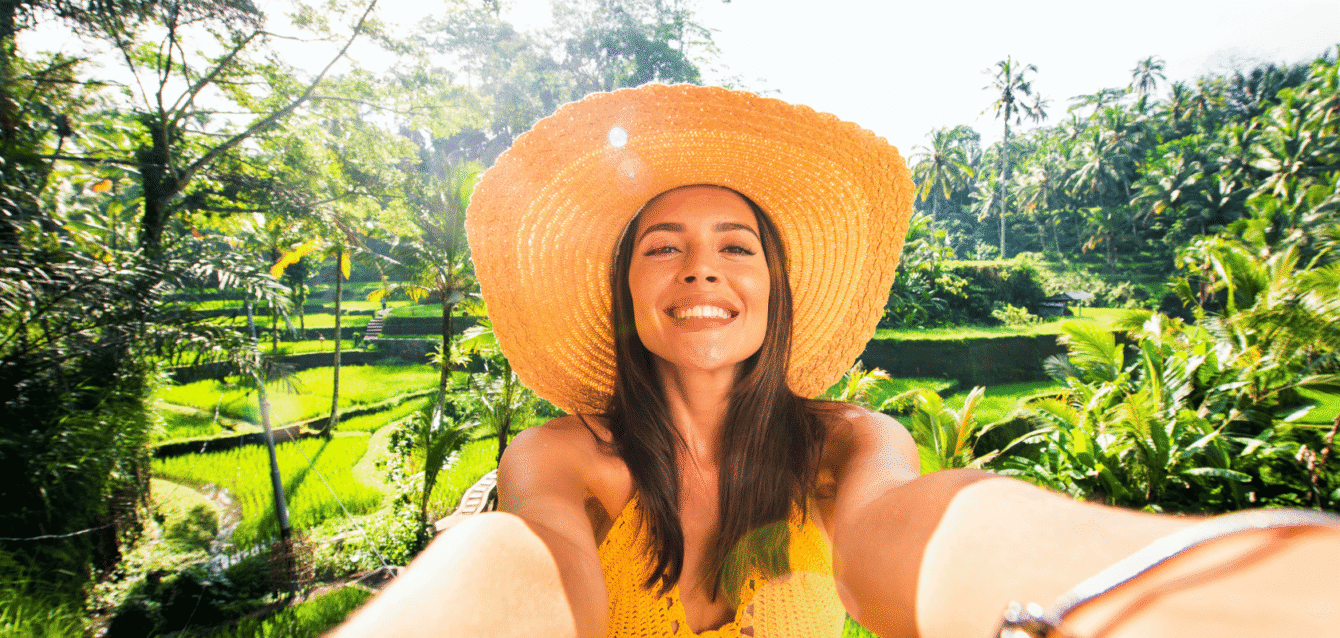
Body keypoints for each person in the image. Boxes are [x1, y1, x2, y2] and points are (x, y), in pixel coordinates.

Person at [331, 85, 1340, 638]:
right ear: (625, 291)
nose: (700, 270)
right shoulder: (560, 459)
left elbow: (917, 535)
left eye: (736, 245)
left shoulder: (845, 447)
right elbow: (522, 576)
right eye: (660, 245)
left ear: (772, 286)